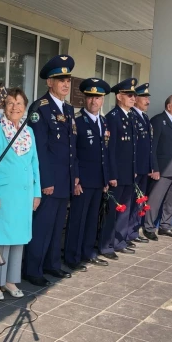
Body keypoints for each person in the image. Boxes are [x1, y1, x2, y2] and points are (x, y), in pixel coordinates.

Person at [0, 88, 41, 299]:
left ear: (25, 107)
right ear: (3, 107)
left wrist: (37, 192)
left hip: (25, 194)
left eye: (19, 103)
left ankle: (10, 280)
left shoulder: (29, 132)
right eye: (10, 103)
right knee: (0, 239)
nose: (15, 107)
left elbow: (35, 163)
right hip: (4, 195)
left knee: (19, 239)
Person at [25, 55, 77, 286]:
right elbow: (39, 150)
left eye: (68, 79)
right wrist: (45, 181)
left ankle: (52, 264)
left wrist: (74, 177)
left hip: (65, 180)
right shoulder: (40, 108)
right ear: (49, 82)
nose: (66, 84)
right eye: (60, 79)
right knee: (42, 226)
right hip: (49, 181)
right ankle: (33, 269)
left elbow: (71, 147)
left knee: (57, 227)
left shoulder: (68, 109)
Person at [64, 78, 111, 271]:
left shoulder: (103, 121)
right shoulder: (76, 121)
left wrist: (106, 178)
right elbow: (72, 152)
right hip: (82, 181)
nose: (94, 102)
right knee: (77, 220)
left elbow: (105, 153)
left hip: (98, 181)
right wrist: (75, 179)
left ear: (102, 100)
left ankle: (87, 252)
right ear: (85, 99)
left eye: (98, 98)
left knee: (92, 220)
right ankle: (72, 257)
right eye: (90, 98)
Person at [99, 78, 138, 259]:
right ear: (119, 97)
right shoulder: (113, 118)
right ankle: (106, 245)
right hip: (117, 175)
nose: (133, 98)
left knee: (125, 209)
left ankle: (119, 241)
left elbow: (133, 148)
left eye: (134, 95)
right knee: (113, 212)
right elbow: (110, 150)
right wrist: (112, 174)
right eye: (129, 95)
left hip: (129, 173)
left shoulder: (130, 116)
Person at [143, 95, 172, 241]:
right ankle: (149, 227)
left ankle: (165, 226)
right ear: (169, 106)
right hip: (162, 169)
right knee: (155, 200)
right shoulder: (158, 121)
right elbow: (152, 147)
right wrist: (154, 168)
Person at [127, 83, 153, 246]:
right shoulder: (132, 117)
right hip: (135, 168)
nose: (147, 101)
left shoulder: (144, 117)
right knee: (130, 201)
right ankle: (128, 232)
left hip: (144, 168)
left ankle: (134, 230)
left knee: (139, 201)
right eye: (144, 97)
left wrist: (151, 166)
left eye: (147, 97)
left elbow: (148, 146)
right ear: (135, 99)